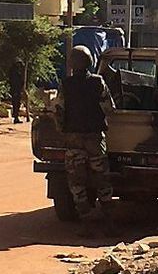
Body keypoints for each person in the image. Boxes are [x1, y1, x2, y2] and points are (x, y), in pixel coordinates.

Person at [57, 45, 116, 235]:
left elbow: (58, 111)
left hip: (73, 140)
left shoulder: (65, 84)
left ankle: (87, 224)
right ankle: (109, 224)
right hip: (94, 139)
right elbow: (110, 108)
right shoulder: (98, 82)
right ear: (90, 61)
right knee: (102, 181)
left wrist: (64, 131)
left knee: (77, 184)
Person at [9, 60, 27, 124]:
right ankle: (15, 117)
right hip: (16, 90)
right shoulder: (14, 73)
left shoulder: (15, 73)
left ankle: (16, 116)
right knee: (16, 104)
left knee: (17, 104)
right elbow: (15, 83)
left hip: (16, 90)